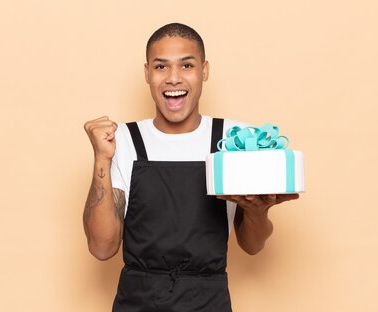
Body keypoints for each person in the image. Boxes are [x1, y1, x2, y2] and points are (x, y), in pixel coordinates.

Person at [83, 23, 299, 312]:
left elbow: (252, 245)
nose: (173, 78)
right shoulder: (121, 140)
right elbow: (102, 248)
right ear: (147, 73)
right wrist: (101, 159)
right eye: (161, 67)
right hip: (137, 302)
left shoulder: (234, 141)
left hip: (209, 301)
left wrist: (258, 210)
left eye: (186, 65)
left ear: (204, 70)